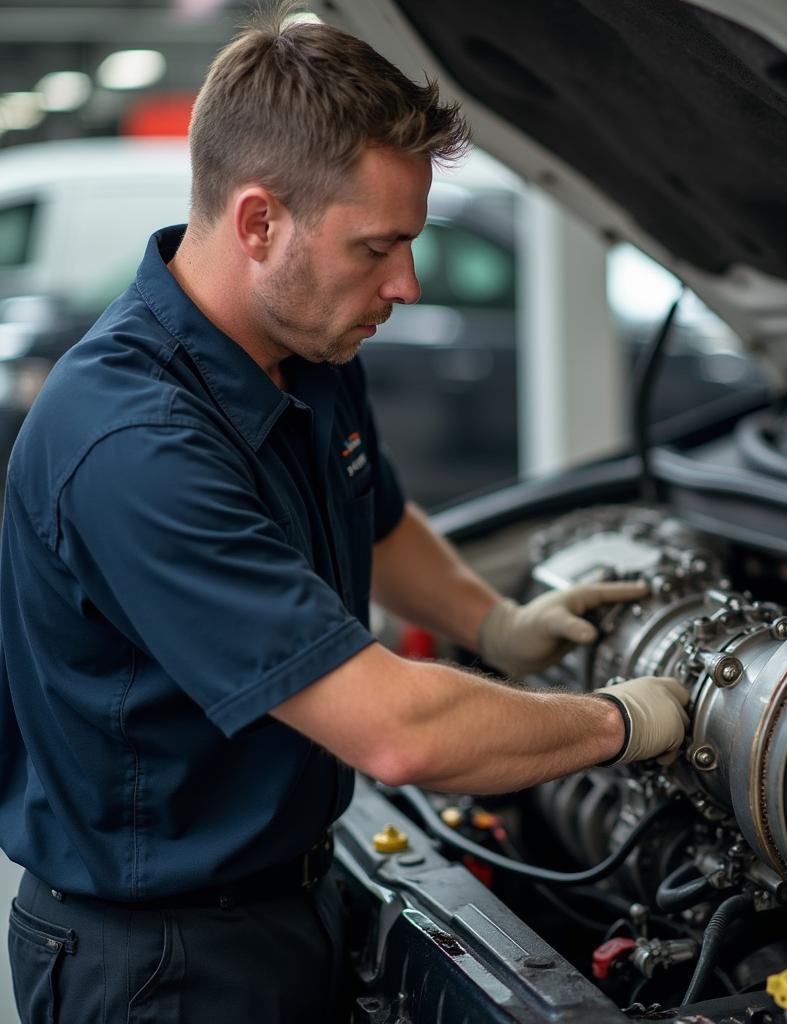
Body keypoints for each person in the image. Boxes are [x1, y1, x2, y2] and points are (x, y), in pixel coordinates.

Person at [0, 6, 691, 1022]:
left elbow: (376, 517)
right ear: (257, 222)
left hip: (291, 894)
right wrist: (630, 722)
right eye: (376, 248)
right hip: (158, 963)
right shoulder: (133, 444)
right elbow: (396, 732)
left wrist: (492, 622)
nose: (405, 284)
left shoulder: (306, 347)